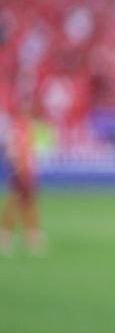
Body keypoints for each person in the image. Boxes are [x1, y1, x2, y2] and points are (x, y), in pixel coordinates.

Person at [0, 110, 43, 256]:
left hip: (25, 172)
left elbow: (29, 153)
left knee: (24, 203)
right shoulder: (16, 129)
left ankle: (29, 235)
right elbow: (11, 152)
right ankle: (23, 236)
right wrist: (16, 169)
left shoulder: (25, 128)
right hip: (20, 172)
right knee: (17, 203)